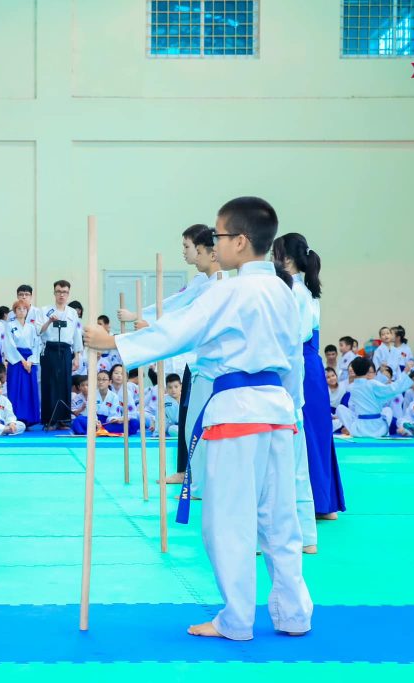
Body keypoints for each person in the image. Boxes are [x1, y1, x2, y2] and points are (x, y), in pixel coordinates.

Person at [83, 196, 312, 641]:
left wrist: (112, 343)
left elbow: (180, 331)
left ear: (240, 241)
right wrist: (293, 407)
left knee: (229, 521)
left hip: (237, 414)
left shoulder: (229, 290)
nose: (215, 242)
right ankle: (294, 614)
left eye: (219, 235)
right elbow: (293, 358)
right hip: (278, 410)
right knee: (279, 520)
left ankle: (238, 620)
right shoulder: (283, 293)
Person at [119, 224, 227, 488]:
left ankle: (201, 479)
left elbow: (183, 319)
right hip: (195, 362)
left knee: (202, 423)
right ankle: (188, 472)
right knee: (189, 419)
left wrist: (150, 324)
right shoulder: (201, 281)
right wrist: (143, 317)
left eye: (188, 247)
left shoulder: (219, 286)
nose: (186, 252)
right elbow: (172, 305)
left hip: (210, 366)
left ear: (210, 252)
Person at [274, 233, 337, 546]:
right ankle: (324, 502)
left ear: (286, 258)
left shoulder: (295, 290)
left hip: (299, 363)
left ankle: (316, 503)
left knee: (306, 432)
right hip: (308, 364)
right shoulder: (307, 289)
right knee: (315, 432)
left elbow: (296, 336)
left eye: (275, 255)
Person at [40, 280, 83, 430]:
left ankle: (63, 419)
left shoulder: (72, 312)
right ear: (54, 293)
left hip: (65, 350)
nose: (61, 295)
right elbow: (39, 331)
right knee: (50, 383)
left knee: (65, 383)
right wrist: (49, 321)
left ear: (68, 294)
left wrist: (77, 356)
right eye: (59, 291)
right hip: (49, 349)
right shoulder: (45, 310)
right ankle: (49, 419)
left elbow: (77, 335)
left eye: (64, 292)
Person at [336, 357, 414, 438]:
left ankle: (350, 430)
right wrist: (407, 375)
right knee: (387, 410)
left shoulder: (351, 387)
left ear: (354, 371)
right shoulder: (372, 384)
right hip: (377, 429)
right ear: (367, 370)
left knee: (340, 408)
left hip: (359, 429)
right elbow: (392, 389)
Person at [2, 299, 41, 426]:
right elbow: (9, 345)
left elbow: (36, 345)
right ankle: (15, 418)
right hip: (16, 361)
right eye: (19, 309)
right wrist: (22, 361)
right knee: (15, 388)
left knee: (29, 389)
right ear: (15, 311)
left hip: (30, 360)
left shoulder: (31, 327)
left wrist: (30, 361)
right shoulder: (10, 326)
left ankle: (30, 419)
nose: (21, 311)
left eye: (24, 309)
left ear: (27, 311)